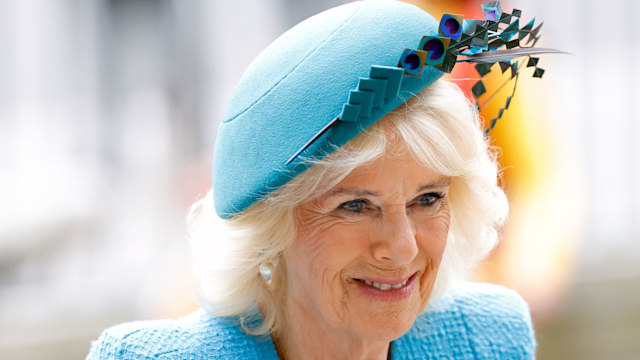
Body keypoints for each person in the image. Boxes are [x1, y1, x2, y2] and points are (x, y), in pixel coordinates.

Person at [87, 0, 542, 358]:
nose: (402, 246)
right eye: (355, 205)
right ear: (273, 227)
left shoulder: (489, 340)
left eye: (427, 199)